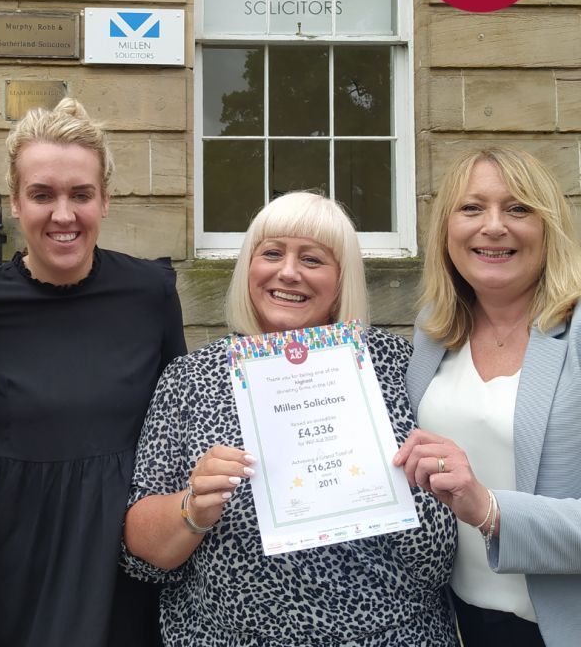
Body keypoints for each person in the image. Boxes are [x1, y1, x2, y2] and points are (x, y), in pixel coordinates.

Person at [123, 191, 458, 646]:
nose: (288, 272)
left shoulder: (397, 366)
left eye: (312, 259)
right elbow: (141, 555)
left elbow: (441, 553)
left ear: (342, 278)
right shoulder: (191, 378)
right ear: (248, 267)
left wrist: (404, 484)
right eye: (272, 253)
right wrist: (192, 509)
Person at [0, 99, 187, 647]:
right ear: (14, 202)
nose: (63, 215)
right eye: (42, 195)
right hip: (9, 549)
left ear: (105, 200)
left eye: (80, 194)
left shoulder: (149, 293)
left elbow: (178, 419)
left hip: (116, 548)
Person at [394, 147, 581, 647]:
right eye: (472, 208)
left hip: (560, 625)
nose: (493, 226)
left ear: (549, 226)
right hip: (462, 619)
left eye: (518, 208)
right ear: (446, 228)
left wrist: (490, 509)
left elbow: (478, 500)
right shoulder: (435, 330)